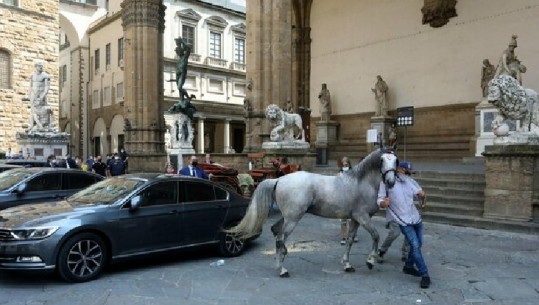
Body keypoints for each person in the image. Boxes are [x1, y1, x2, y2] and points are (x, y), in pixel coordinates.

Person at [377, 160, 430, 289]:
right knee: (415, 245)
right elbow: (380, 199)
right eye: (406, 171)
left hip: (415, 217)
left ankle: (408, 266)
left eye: (409, 172)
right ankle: (425, 275)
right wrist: (383, 203)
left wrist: (422, 196)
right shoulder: (386, 182)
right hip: (402, 219)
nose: (408, 174)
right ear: (399, 169)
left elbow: (421, 198)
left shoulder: (410, 181)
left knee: (419, 243)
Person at [338, 157, 359, 245]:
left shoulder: (353, 173)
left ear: (349, 164)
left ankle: (353, 235)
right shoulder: (339, 173)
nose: (345, 165)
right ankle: (344, 237)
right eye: (343, 163)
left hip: (352, 198)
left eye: (346, 163)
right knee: (343, 219)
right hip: (343, 198)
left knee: (352, 219)